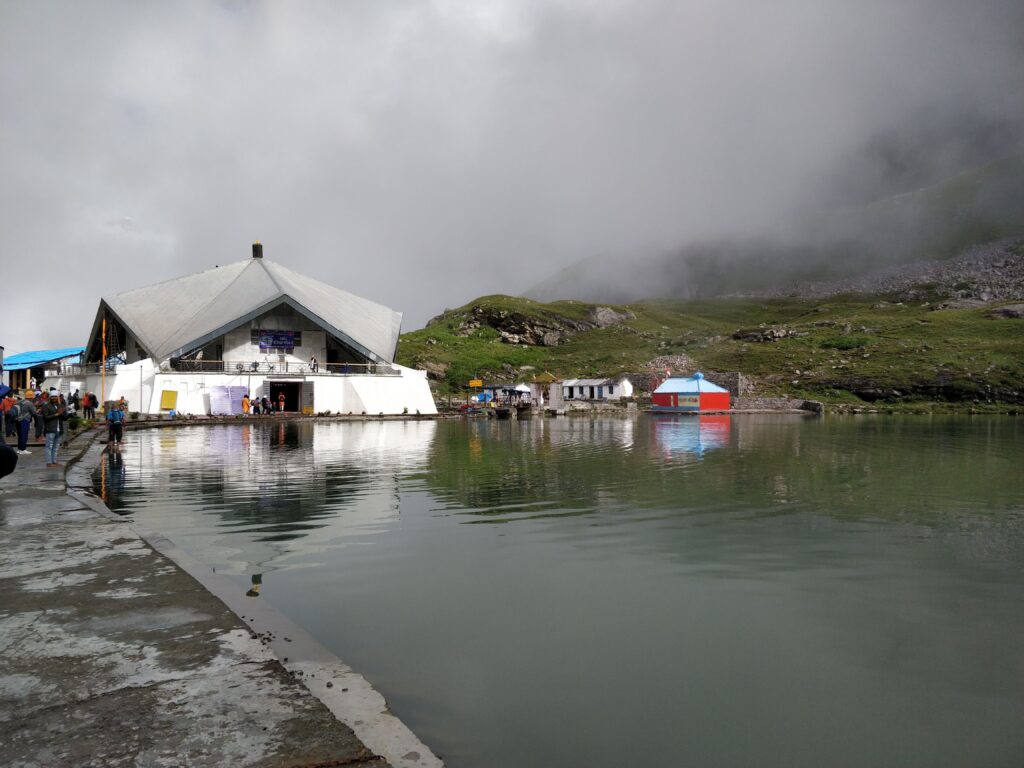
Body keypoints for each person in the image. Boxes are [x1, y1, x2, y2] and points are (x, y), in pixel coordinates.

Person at [42, 389, 65, 467]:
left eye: (55, 396)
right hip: (50, 429)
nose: (54, 398)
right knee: (49, 446)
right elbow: (45, 417)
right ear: (50, 398)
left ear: (58, 397)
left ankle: (54, 461)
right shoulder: (46, 406)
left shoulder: (60, 405)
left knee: (56, 446)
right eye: (52, 397)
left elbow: (64, 417)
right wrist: (56, 414)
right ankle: (49, 462)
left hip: (59, 429)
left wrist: (65, 412)